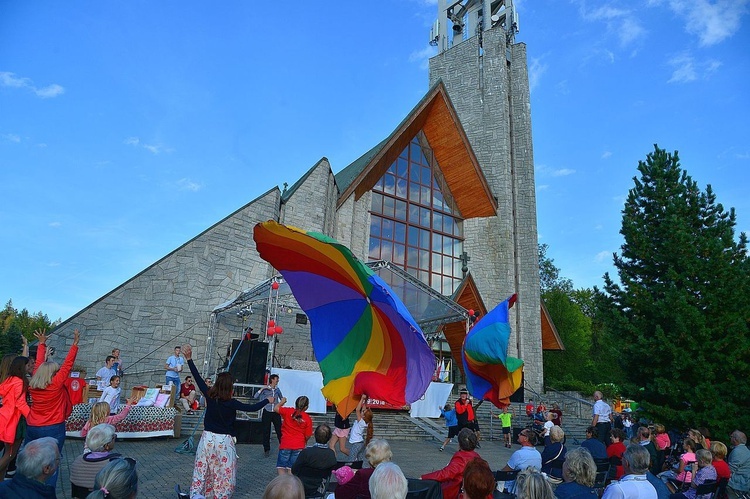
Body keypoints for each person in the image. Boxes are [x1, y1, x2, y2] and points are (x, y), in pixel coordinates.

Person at [182, 343, 273, 499]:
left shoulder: (210, 395)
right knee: (225, 472)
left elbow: (197, 378)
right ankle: (221, 495)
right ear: (230, 387)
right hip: (224, 441)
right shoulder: (232, 403)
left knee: (203, 469)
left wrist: (189, 359)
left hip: (207, 439)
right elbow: (251, 408)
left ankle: (197, 495)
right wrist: (267, 401)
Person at [26, 327, 80, 487]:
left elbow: (38, 365)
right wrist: (75, 344)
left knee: (30, 461)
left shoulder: (33, 384)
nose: (58, 373)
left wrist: (42, 344)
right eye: (55, 372)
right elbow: (67, 365)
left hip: (33, 426)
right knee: (51, 465)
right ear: (51, 375)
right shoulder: (55, 384)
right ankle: (46, 492)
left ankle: (28, 490)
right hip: (53, 428)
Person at [422, 428, 484, 499]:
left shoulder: (461, 458)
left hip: (454, 492)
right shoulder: (476, 456)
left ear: (459, 444)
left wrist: (424, 477)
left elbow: (445, 474)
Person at [70, 423, 122, 497]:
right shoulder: (114, 463)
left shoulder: (78, 461)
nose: (116, 439)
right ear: (107, 445)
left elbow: (75, 491)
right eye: (114, 437)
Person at [0, 356, 31, 478]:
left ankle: (1, 483)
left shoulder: (9, 380)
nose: (30, 367)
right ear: (22, 367)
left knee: (7, 453)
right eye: (28, 365)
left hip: (4, 418)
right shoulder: (19, 382)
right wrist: (32, 416)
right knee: (10, 454)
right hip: (15, 420)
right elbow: (20, 403)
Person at [291, 424, 337, 496]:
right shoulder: (331, 454)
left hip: (300, 485)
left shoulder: (306, 452)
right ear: (329, 438)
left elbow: (294, 470)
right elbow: (329, 472)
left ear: (315, 435)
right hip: (317, 485)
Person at [274, 395, 313, 475]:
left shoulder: (288, 412)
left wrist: (282, 402)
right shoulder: (307, 418)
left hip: (286, 443)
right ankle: (290, 486)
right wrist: (304, 441)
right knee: (292, 469)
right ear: (306, 407)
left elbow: (275, 408)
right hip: (299, 445)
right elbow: (308, 435)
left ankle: (282, 484)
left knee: (281, 467)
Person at [499, 428, 542, 494]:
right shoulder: (538, 454)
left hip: (519, 488)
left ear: (526, 438)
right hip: (533, 488)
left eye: (521, 434)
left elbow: (505, 471)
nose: (518, 435)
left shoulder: (519, 454)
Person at [257, 373, 283, 458]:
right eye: (276, 379)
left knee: (279, 430)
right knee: (266, 431)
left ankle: (283, 447)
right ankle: (266, 449)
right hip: (267, 411)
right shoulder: (265, 390)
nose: (277, 381)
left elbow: (281, 398)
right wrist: (261, 389)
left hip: (275, 412)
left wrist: (279, 404)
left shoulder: (277, 390)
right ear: (272, 380)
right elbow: (255, 396)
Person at [348, 394, 373, 464]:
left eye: (363, 412)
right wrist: (365, 400)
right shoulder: (365, 421)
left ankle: (349, 473)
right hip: (360, 443)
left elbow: (357, 410)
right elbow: (362, 409)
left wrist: (362, 398)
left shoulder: (361, 422)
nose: (362, 411)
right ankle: (360, 472)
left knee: (351, 461)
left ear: (364, 416)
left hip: (356, 443)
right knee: (359, 461)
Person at [727, 430, 750, 499]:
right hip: (744, 481)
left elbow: (730, 470)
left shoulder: (738, 451)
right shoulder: (745, 450)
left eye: (731, 437)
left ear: (735, 439)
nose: (730, 438)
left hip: (737, 483)